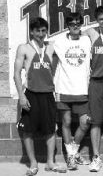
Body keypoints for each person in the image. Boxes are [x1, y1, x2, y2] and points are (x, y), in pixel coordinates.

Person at [14, 17, 66, 175]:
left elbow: (77, 35)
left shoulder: (51, 47)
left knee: (50, 130)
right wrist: (21, 97)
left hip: (48, 95)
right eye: (38, 31)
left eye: (44, 31)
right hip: (31, 94)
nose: (41, 34)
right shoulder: (24, 48)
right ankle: (33, 163)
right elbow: (16, 74)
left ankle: (50, 162)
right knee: (28, 131)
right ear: (31, 31)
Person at [54, 12, 91, 170]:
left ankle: (73, 151)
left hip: (82, 88)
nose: (75, 26)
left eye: (78, 23)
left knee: (84, 123)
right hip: (64, 88)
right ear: (67, 26)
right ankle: (70, 156)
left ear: (81, 24)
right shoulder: (60, 41)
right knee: (67, 122)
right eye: (72, 23)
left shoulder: (86, 40)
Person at [83, 6, 103, 172]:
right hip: (96, 82)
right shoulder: (91, 33)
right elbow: (73, 38)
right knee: (96, 121)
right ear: (97, 20)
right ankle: (96, 156)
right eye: (101, 19)